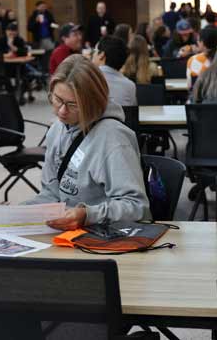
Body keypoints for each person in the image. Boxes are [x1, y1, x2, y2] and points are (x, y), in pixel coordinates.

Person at [25, 55, 149, 230]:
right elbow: (51, 193)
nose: (62, 111)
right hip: (67, 233)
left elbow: (137, 207)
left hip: (104, 236)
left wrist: (87, 215)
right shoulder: (57, 129)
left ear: (93, 102)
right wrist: (18, 213)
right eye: (57, 99)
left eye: (73, 104)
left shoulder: (113, 139)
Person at [93, 36, 136, 115]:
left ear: (101, 55)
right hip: (121, 126)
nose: (92, 55)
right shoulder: (130, 86)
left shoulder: (87, 80)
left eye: (94, 51)